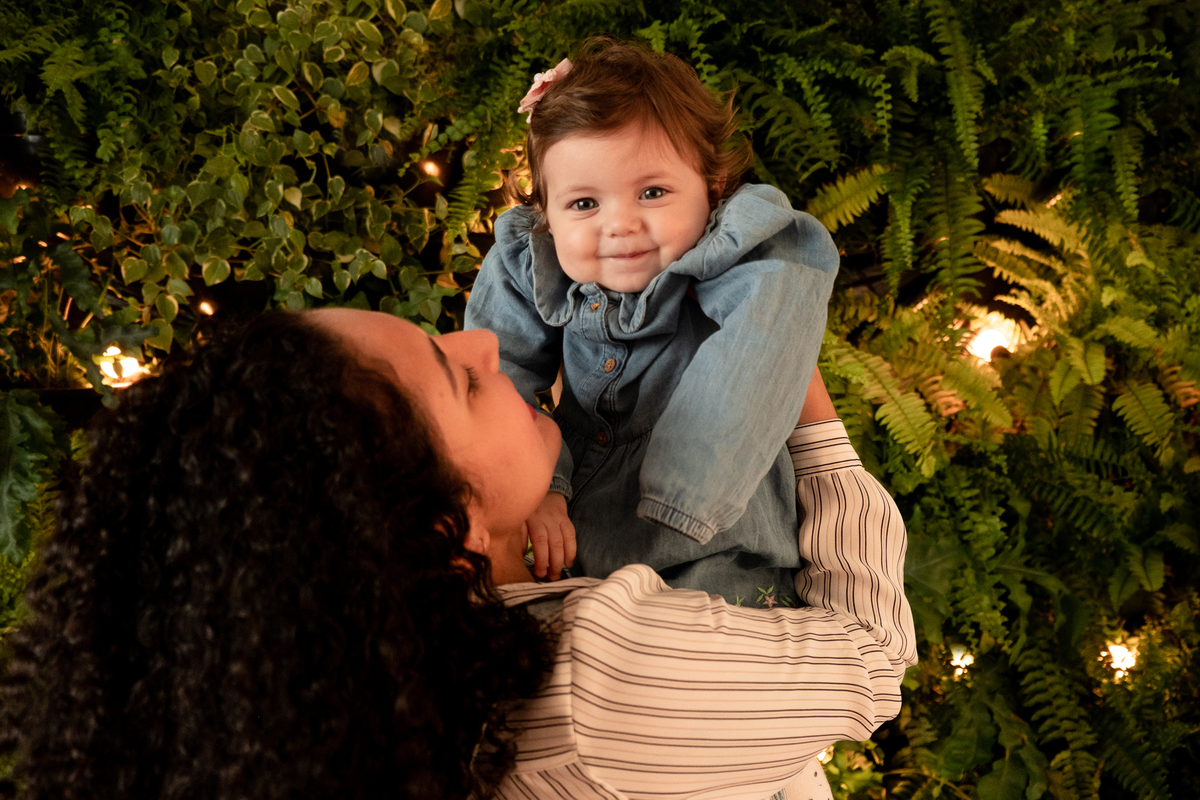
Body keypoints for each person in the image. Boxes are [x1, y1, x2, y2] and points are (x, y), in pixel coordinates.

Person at [0, 309, 915, 800]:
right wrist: (811, 418)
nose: (487, 342)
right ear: (446, 529)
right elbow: (873, 662)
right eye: (463, 378)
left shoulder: (402, 701)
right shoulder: (600, 685)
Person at [464, 39, 840, 607]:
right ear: (545, 210)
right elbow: (494, 371)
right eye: (584, 204)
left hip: (715, 539)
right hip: (573, 532)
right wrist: (537, 488)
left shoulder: (748, 252)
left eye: (653, 192)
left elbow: (762, 344)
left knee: (711, 672)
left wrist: (687, 495)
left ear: (712, 190)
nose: (620, 225)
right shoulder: (530, 257)